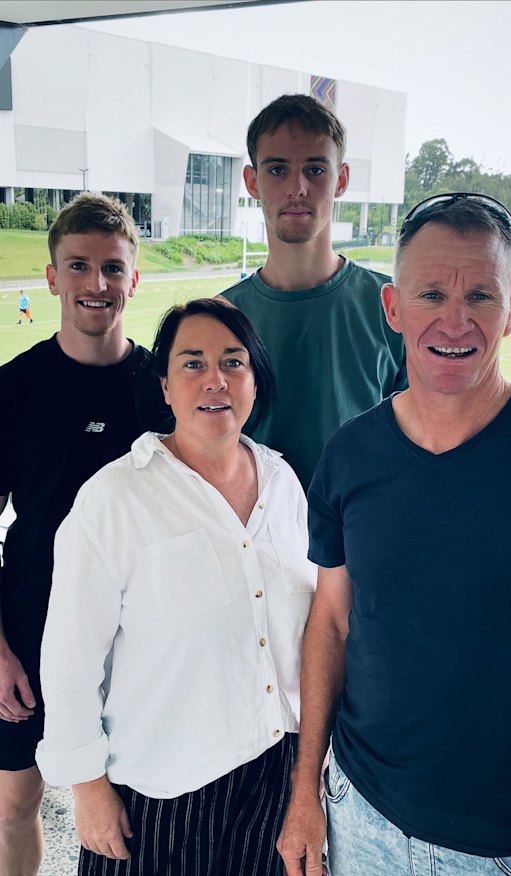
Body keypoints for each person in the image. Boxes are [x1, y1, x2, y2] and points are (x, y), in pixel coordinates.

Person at [277, 193, 511, 875]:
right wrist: (305, 792)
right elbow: (329, 621)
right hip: (359, 815)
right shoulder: (350, 454)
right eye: (432, 293)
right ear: (393, 308)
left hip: (508, 844)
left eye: (481, 294)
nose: (456, 318)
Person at [36, 297, 316, 876]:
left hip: (274, 777)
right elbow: (68, 657)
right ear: (163, 385)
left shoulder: (284, 483)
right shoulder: (114, 498)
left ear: (254, 381)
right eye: (192, 363)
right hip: (160, 794)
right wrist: (88, 790)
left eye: (233, 362)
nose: (215, 379)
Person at [0, 193, 163, 876]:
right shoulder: (14, 389)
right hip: (30, 631)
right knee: (13, 803)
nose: (97, 284)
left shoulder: (164, 387)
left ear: (134, 277)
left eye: (112, 268)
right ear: (52, 278)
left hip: (139, 640)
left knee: (129, 811)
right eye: (79, 267)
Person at [222, 94, 406, 491]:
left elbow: (419, 442)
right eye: (277, 169)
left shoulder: (392, 308)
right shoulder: (221, 317)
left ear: (341, 180)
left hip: (359, 539)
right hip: (251, 539)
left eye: (315, 169)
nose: (297, 187)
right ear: (252, 182)